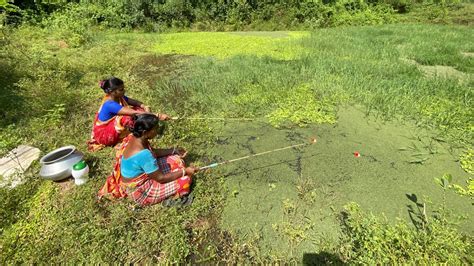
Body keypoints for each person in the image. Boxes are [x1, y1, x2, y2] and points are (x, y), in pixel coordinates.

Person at [97, 113, 199, 206]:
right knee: (185, 179)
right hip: (140, 191)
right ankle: (174, 200)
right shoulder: (144, 155)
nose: (157, 130)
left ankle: (177, 174)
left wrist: (173, 151)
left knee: (176, 159)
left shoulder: (135, 138)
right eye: (155, 128)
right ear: (146, 132)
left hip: (138, 178)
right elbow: (161, 179)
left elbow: (153, 152)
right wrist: (185, 171)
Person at [87, 77, 170, 151]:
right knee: (126, 118)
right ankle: (137, 135)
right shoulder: (109, 104)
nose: (124, 91)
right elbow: (134, 113)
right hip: (104, 135)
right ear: (112, 92)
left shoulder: (118, 97)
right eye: (121, 89)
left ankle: (143, 130)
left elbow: (134, 102)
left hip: (110, 129)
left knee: (138, 110)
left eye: (123, 88)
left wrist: (143, 106)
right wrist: (157, 115)